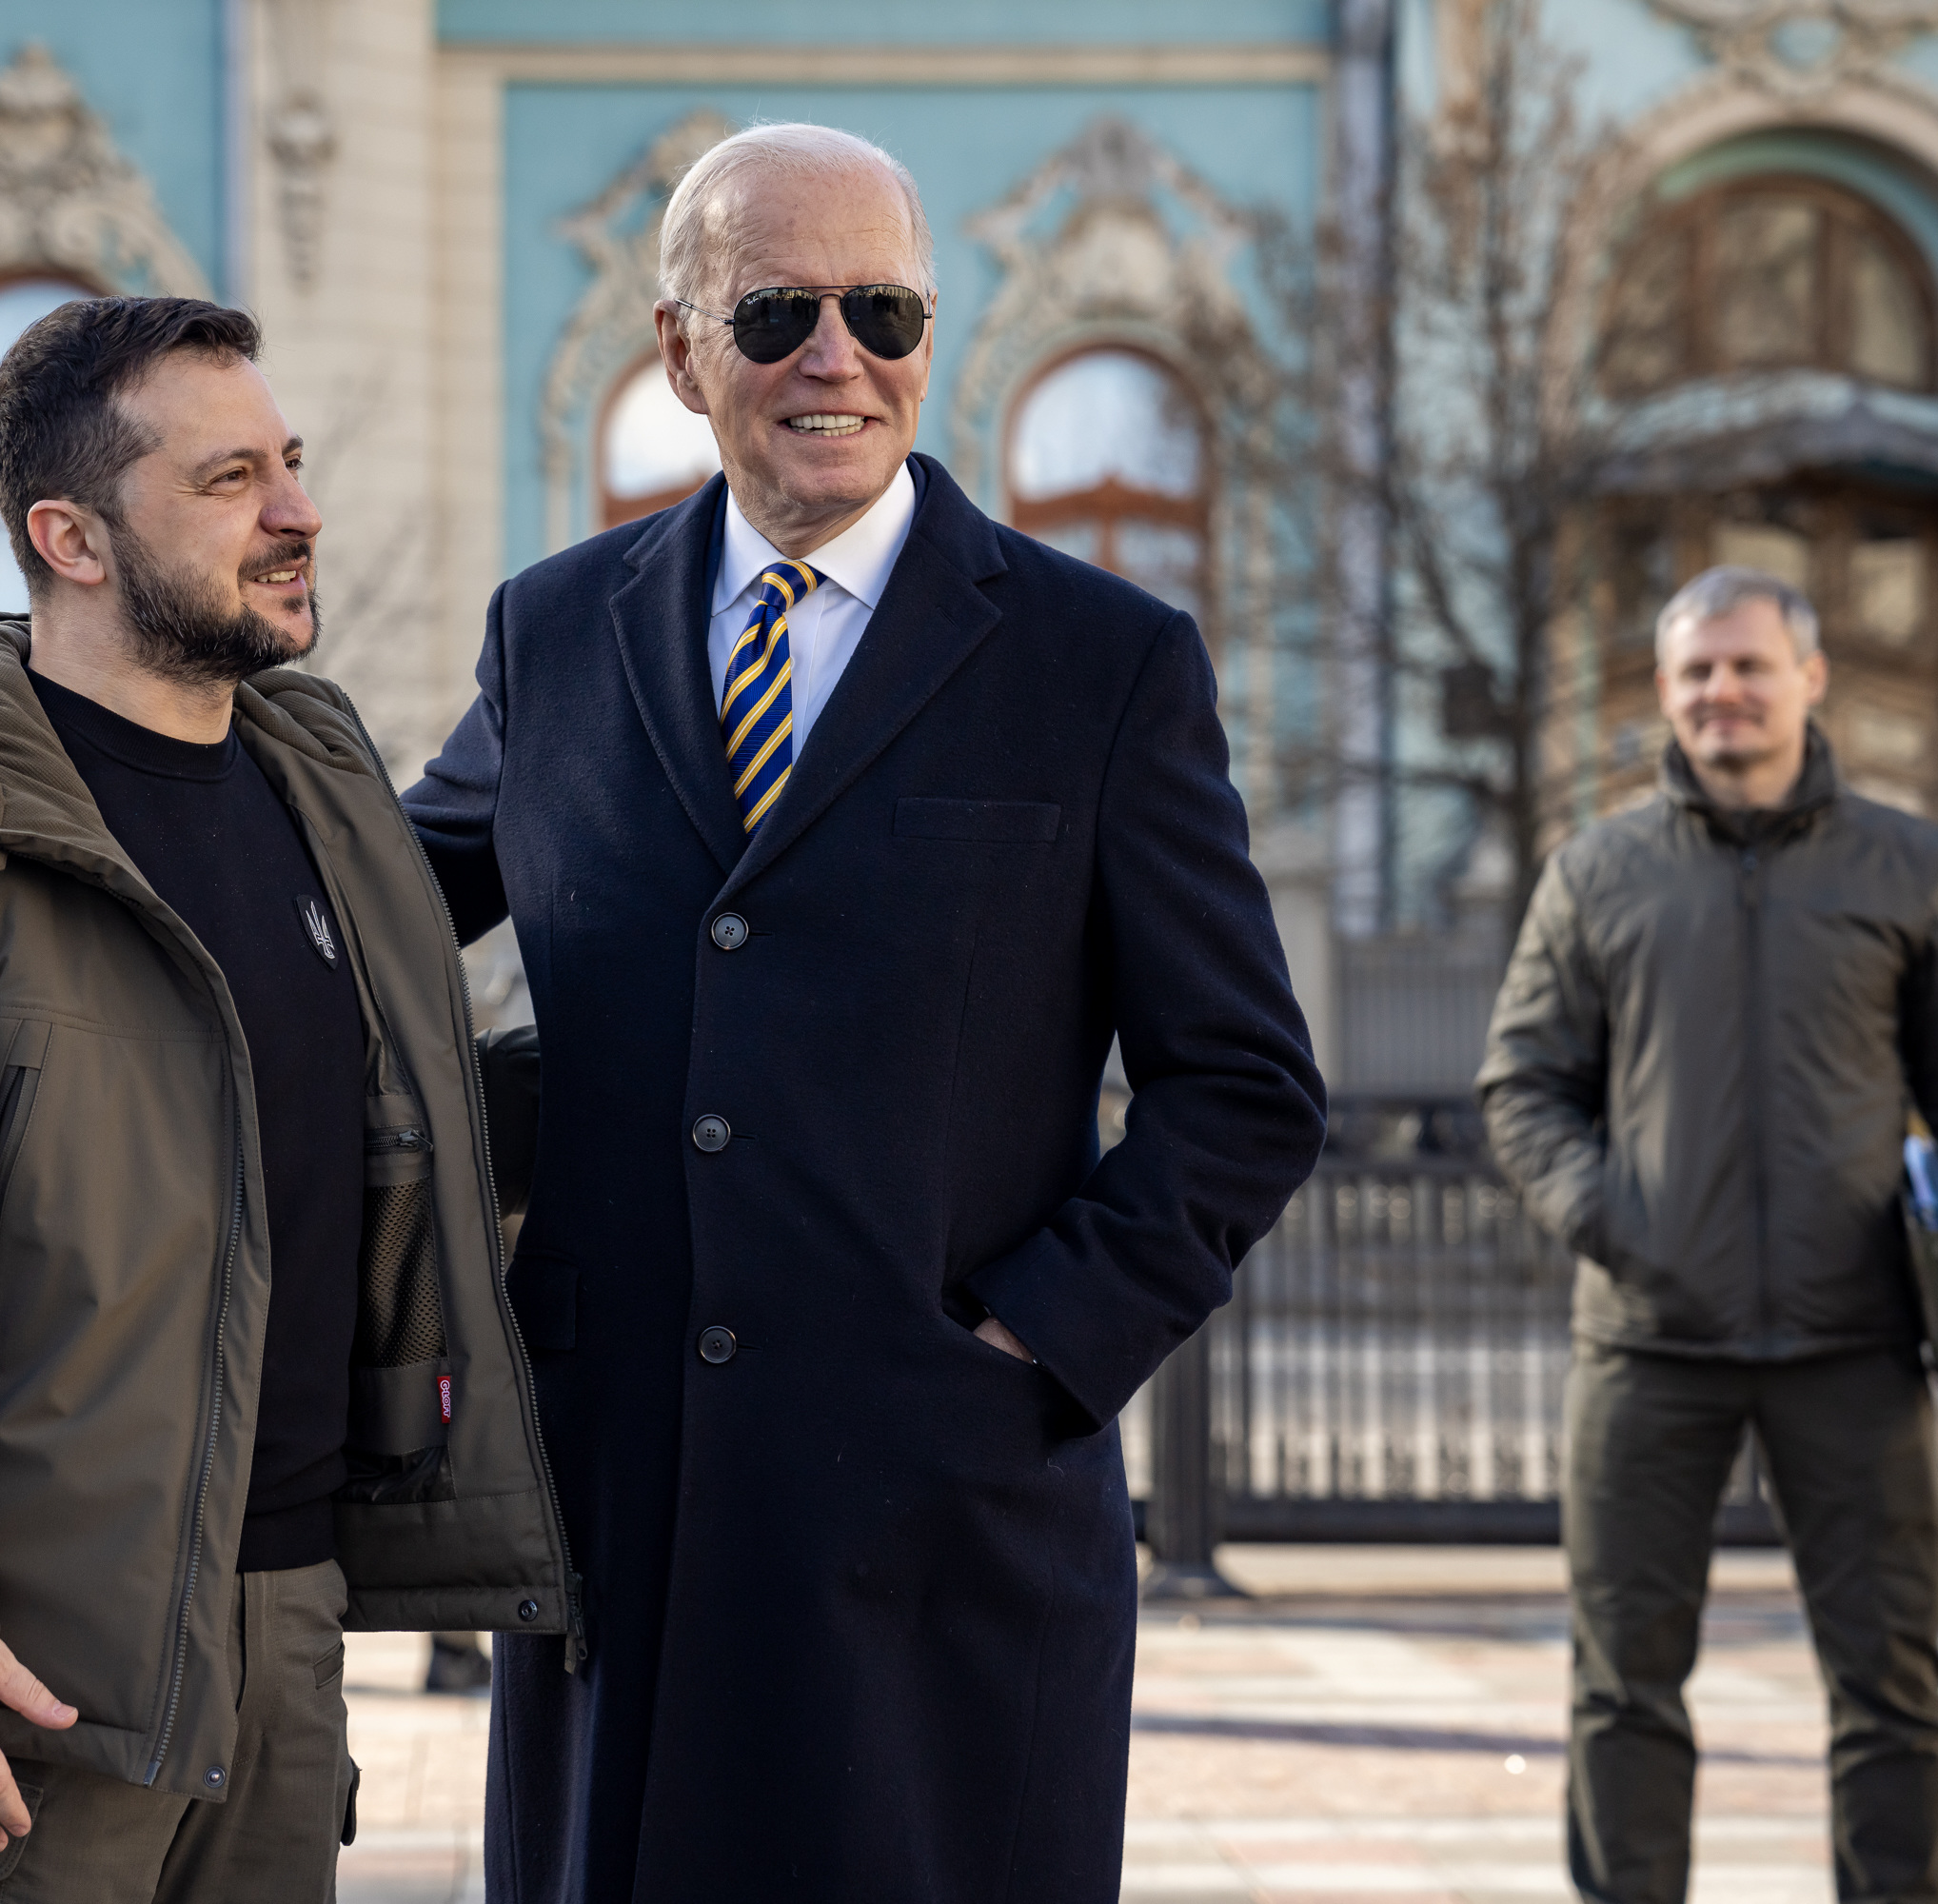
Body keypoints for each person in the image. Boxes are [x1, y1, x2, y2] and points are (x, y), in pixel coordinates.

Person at [402, 122, 1328, 1903]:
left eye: (882, 307)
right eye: (777, 313)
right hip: (621, 1515)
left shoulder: (1101, 664)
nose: (837, 356)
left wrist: (1032, 1348)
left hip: (943, 1521)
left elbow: (1244, 1088)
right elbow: (360, 914)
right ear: (681, 351)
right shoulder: (557, 635)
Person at [0, 296, 573, 1903]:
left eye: (289, 463)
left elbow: (359, 1132)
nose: (298, 511)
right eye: (230, 479)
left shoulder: (324, 795)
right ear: (70, 537)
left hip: (282, 1642)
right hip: (18, 1678)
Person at [1480, 565, 1938, 1904]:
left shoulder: (1908, 866)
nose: (1721, 693)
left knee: (1892, 1689)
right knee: (1623, 1687)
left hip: (1858, 1346)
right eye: (1694, 671)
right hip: (1647, 1348)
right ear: (1667, 694)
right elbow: (1523, 1086)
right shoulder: (1597, 873)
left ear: (1810, 679)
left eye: (1748, 666)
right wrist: (1612, 1219)